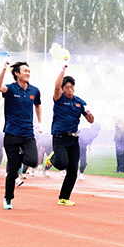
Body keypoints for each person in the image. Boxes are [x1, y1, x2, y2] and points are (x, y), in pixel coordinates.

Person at [44, 60, 94, 206]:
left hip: (73, 139)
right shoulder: (59, 99)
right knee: (62, 164)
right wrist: (63, 70)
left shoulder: (80, 102)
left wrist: (90, 114)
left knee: (73, 169)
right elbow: (56, 87)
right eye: (67, 87)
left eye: (72, 87)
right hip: (60, 137)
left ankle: (64, 198)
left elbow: (90, 120)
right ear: (62, 89)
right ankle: (52, 158)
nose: (70, 89)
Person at [0, 58, 43, 210]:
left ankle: (19, 159)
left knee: (33, 161)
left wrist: (40, 122)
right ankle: (8, 198)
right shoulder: (10, 89)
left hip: (28, 133)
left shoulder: (34, 90)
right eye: (25, 71)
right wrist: (4, 68)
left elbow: (38, 105)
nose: (28, 73)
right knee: (13, 170)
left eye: (29, 71)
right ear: (17, 74)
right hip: (11, 133)